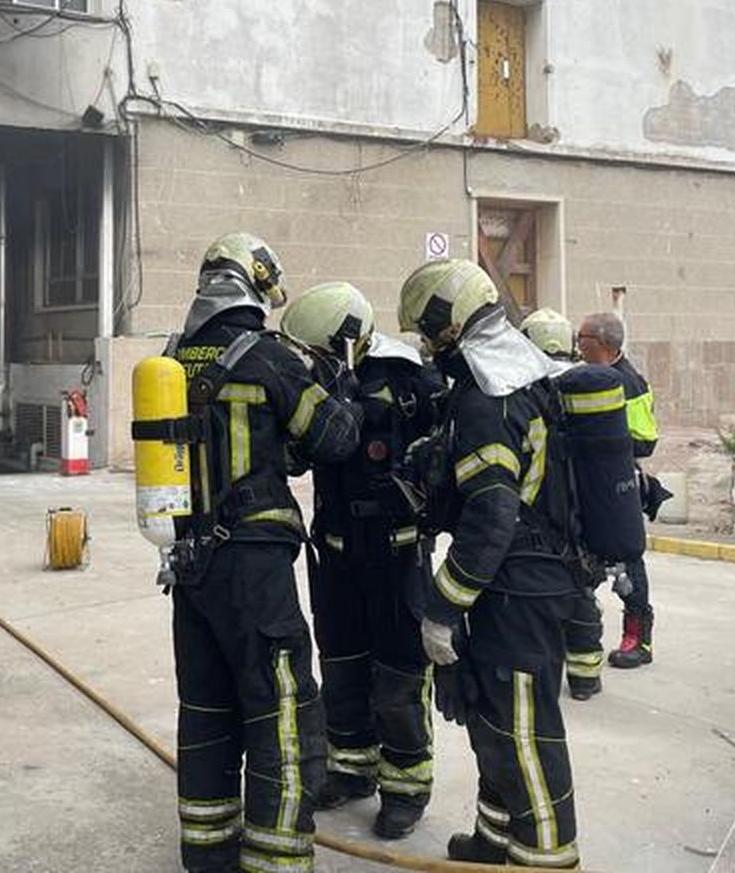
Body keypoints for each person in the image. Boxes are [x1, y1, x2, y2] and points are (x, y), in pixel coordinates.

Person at [168, 233, 363, 873]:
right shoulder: (268, 358)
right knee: (281, 706)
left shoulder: (174, 356)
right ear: (254, 284)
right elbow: (333, 438)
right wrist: (342, 378)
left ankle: (207, 852)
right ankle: (277, 859)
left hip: (188, 560)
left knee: (205, 707)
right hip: (252, 559)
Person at [399, 260, 582, 870]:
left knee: (525, 736)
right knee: (496, 722)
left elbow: (492, 515)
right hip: (522, 583)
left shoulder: (487, 399)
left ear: (449, 327)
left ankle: (549, 859)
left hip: (518, 592)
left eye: (430, 335)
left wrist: (443, 607)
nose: (428, 349)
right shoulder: (516, 377)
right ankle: (494, 839)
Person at [279, 282, 447, 840]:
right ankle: (351, 769)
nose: (313, 361)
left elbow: (443, 450)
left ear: (345, 339)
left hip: (397, 554)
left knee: (399, 676)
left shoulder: (410, 380)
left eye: (319, 351)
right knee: (343, 664)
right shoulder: (321, 385)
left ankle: (406, 788)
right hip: (336, 554)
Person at [521, 308, 641, 701]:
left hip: (548, 515)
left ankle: (543, 677)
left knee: (546, 599)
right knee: (581, 597)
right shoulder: (585, 386)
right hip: (587, 514)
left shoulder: (534, 390)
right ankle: (586, 678)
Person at [576, 311, 663, 670]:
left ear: (605, 345)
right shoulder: (582, 376)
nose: (578, 346)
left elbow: (645, 441)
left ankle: (638, 639)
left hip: (616, 487)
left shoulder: (630, 382)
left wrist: (605, 442)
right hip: (585, 482)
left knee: (626, 558)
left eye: (584, 341)